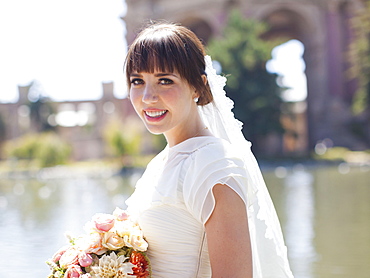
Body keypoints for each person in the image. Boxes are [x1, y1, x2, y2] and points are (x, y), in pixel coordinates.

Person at [124, 22, 294, 278]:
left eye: (165, 81)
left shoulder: (213, 163)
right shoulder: (160, 163)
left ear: (198, 87)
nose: (148, 96)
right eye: (138, 81)